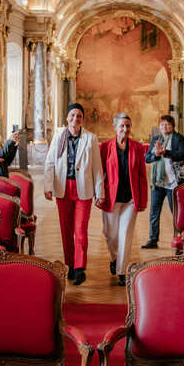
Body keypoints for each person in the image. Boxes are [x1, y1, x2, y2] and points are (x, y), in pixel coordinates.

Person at [43, 103, 104, 285]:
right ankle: (70, 264)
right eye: (72, 115)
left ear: (82, 119)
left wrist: (100, 192)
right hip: (63, 188)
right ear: (67, 118)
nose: (75, 118)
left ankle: (79, 268)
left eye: (79, 116)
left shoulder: (90, 138)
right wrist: (48, 186)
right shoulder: (58, 136)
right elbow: (50, 163)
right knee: (66, 230)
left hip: (83, 189)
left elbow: (97, 168)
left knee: (80, 230)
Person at [98, 113, 148, 286]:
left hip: (130, 199)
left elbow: (142, 175)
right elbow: (99, 174)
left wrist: (142, 200)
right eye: (122, 126)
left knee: (125, 234)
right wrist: (98, 194)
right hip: (111, 198)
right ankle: (113, 258)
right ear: (115, 127)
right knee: (110, 235)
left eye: (128, 126)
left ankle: (121, 270)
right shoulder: (105, 147)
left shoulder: (137, 147)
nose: (125, 129)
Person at [141, 114, 184, 249]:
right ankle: (153, 239)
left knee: (176, 212)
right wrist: (156, 155)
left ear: (173, 126)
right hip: (158, 182)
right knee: (154, 212)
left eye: (167, 124)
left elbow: (183, 154)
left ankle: (180, 239)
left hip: (173, 182)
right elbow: (147, 158)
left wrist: (166, 152)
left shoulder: (178, 138)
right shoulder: (156, 139)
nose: (164, 127)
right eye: (162, 124)